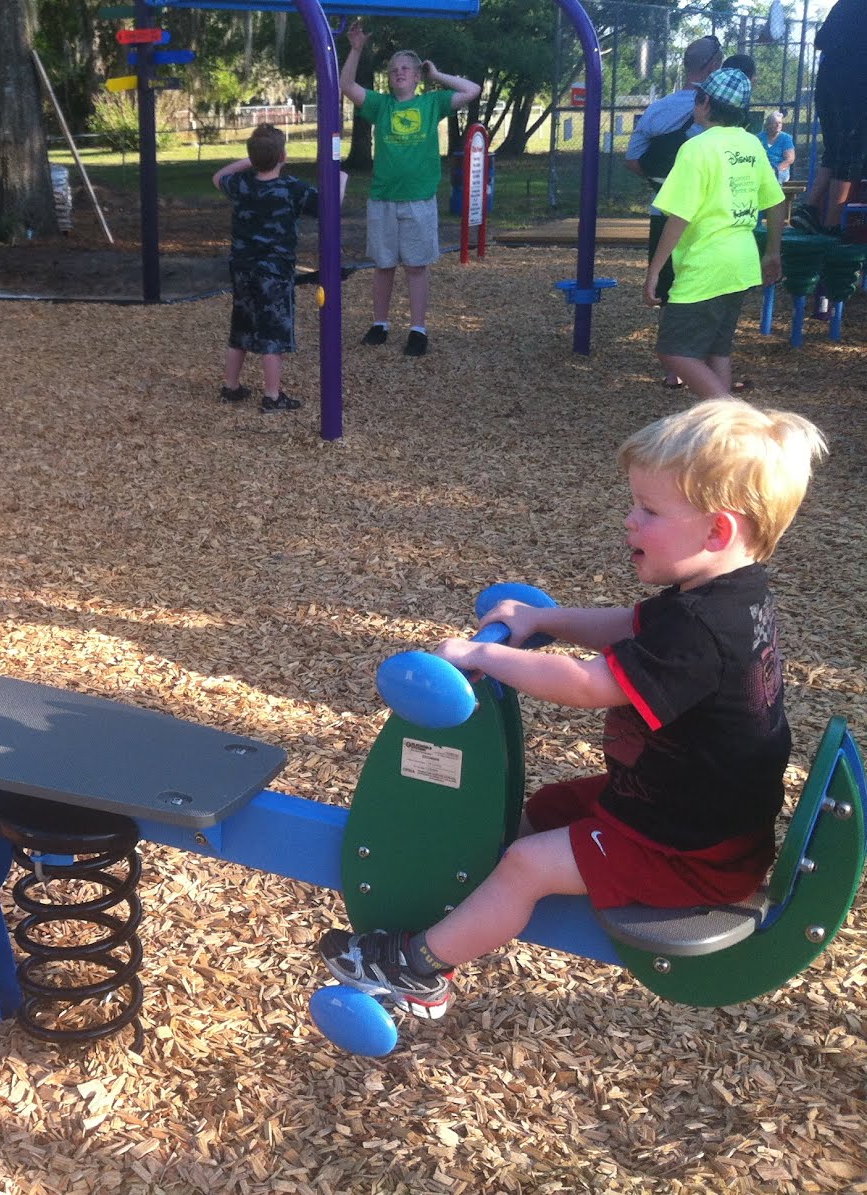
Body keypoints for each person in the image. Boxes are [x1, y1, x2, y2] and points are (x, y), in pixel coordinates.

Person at [320, 398, 827, 1020]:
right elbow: (626, 627)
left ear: (717, 531)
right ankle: (469, 906)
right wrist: (543, 619)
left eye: (649, 510)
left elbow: (589, 685)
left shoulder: (702, 630)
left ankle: (420, 968)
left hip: (691, 855)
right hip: (681, 811)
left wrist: (488, 656)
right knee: (548, 809)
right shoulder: (723, 597)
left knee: (527, 863)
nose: (629, 522)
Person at [340, 21, 481, 357]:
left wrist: (437, 75)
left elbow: (472, 89)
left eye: (406, 69)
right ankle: (381, 323)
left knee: (416, 266)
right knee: (384, 264)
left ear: (417, 76)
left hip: (418, 200)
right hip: (384, 198)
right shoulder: (380, 105)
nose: (398, 73)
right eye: (393, 69)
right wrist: (356, 48)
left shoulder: (431, 104)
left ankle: (418, 329)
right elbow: (345, 84)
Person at [645, 68, 785, 400]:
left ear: (705, 103)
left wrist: (654, 271)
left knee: (672, 351)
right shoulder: (751, 144)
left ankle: (732, 416)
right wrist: (773, 252)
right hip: (741, 263)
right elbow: (776, 203)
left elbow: (679, 216)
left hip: (705, 265)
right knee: (717, 350)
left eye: (697, 97)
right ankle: (724, 438)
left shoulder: (696, 149)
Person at [625, 35, 723, 388]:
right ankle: (709, 363)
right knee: (708, 285)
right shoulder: (720, 113)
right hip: (708, 213)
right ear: (713, 65)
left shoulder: (658, 108)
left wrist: (664, 183)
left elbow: (633, 159)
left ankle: (674, 369)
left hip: (664, 208)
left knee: (668, 285)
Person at [212, 124, 320, 411]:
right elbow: (327, 206)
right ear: (283, 155)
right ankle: (272, 396)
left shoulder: (242, 184)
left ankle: (231, 386)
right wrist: (342, 180)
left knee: (242, 326)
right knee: (273, 333)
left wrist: (253, 159)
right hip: (275, 272)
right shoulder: (292, 188)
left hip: (242, 268)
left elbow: (218, 177)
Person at [791, 0, 867, 236]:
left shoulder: (845, 4)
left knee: (834, 149)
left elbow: (820, 40)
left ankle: (810, 208)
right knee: (851, 153)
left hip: (827, 84)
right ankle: (833, 224)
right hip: (855, 85)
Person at [760, 111, 796, 183]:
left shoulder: (786, 138)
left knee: (772, 177)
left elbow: (790, 159)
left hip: (780, 170)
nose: (778, 125)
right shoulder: (759, 137)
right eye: (775, 123)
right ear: (768, 125)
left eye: (780, 123)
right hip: (762, 168)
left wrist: (775, 169)